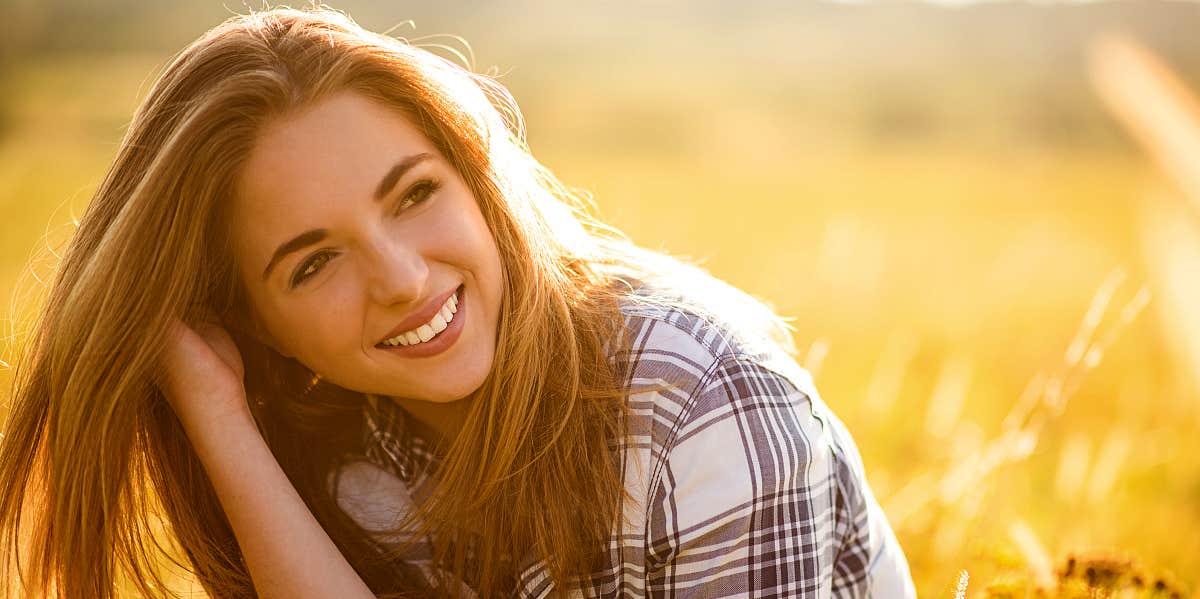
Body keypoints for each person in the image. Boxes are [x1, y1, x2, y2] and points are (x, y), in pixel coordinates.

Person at [0, 6, 915, 598]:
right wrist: (216, 411)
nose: (399, 277)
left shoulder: (702, 405)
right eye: (313, 264)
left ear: (479, 174)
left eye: (413, 194)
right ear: (253, 325)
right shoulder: (327, 447)